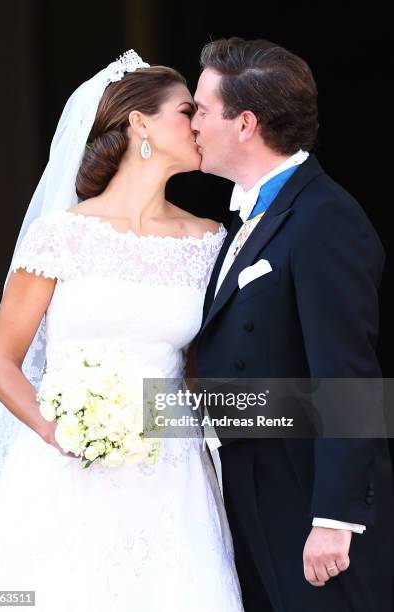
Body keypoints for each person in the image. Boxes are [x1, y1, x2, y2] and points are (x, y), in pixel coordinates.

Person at [0, 51, 244, 611]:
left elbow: (205, 368)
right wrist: (55, 431)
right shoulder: (60, 236)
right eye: (186, 109)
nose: (197, 124)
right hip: (62, 472)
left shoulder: (210, 240)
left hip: (170, 480)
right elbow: (1, 363)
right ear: (139, 123)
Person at [192, 37, 394, 611]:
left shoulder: (324, 218)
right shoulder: (244, 216)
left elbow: (349, 377)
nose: (194, 125)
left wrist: (334, 518)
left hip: (308, 506)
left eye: (204, 111)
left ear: (246, 123)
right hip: (251, 491)